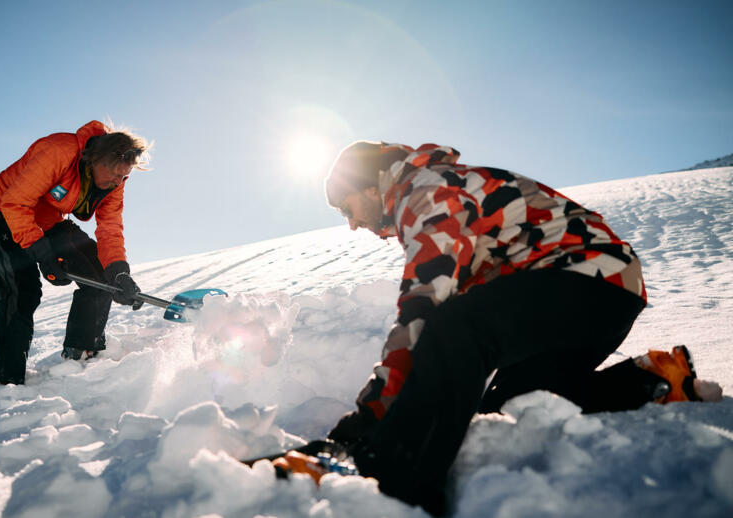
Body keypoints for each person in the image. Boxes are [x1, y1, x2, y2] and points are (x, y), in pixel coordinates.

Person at [275, 141, 721, 514]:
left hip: (585, 279)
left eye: (347, 207)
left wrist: (364, 425)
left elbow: (422, 316)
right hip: (605, 293)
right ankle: (654, 379)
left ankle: (388, 479)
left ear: (369, 185)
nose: (351, 224)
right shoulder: (430, 189)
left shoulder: (425, 190)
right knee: (511, 407)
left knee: (449, 329)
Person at [0, 120, 150, 386]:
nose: (119, 181)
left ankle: (81, 354)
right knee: (21, 293)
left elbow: (110, 228)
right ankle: (0, 380)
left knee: (99, 275)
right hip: (3, 210)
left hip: (46, 215)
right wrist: (42, 254)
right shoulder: (58, 150)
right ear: (97, 159)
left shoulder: (114, 182)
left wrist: (119, 272)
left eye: (124, 176)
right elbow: (16, 202)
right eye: (116, 174)